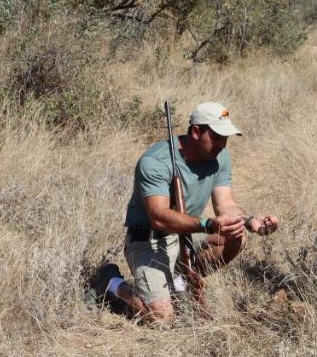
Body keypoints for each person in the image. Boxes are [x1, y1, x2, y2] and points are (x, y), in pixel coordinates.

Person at [90, 102, 279, 326]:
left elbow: (226, 205)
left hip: (185, 235)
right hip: (149, 242)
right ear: (196, 131)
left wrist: (250, 222)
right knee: (161, 318)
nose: (223, 144)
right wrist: (208, 224)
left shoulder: (220, 156)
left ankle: (181, 281)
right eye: (217, 137)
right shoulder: (155, 162)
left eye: (225, 138)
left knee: (236, 235)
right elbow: (158, 216)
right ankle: (111, 283)